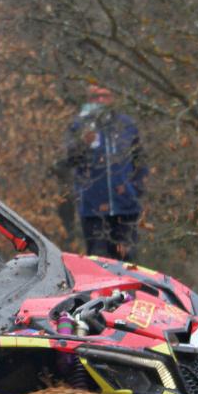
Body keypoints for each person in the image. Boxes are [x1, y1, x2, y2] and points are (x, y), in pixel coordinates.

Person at [62, 84, 148, 261]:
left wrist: (136, 189)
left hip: (125, 207)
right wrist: (83, 144)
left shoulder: (126, 125)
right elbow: (70, 160)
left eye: (105, 96)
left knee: (127, 261)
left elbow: (140, 160)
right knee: (99, 262)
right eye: (96, 97)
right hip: (93, 209)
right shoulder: (79, 126)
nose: (101, 101)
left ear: (113, 98)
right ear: (88, 99)